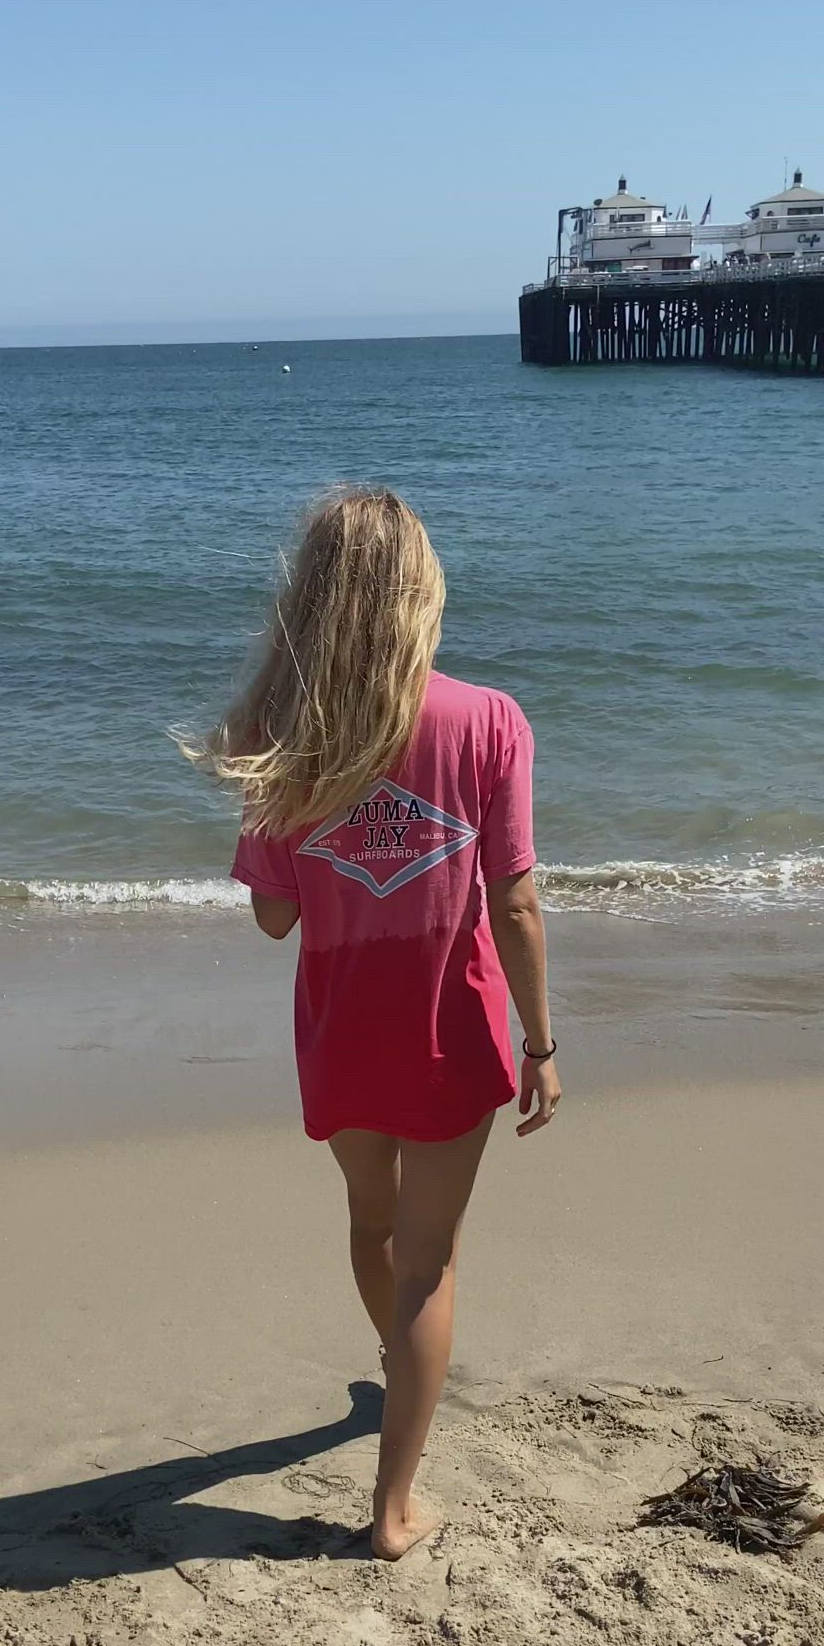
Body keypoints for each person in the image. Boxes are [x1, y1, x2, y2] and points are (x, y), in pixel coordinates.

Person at [186, 488, 559, 1559]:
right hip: (450, 1024)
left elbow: (272, 916)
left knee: (373, 1227)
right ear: (418, 593)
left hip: (341, 1026)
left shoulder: (277, 733)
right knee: (429, 1259)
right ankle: (395, 1505)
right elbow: (516, 902)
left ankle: (401, 1365)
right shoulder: (489, 719)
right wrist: (539, 1045)